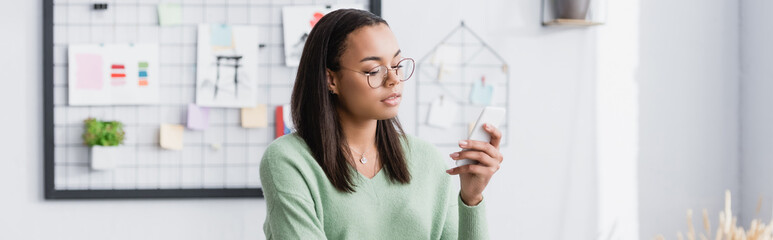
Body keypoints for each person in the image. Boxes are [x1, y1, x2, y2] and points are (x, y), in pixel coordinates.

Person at [259, 8, 504, 239]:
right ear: (330, 79)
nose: (394, 79)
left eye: (397, 65)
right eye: (374, 70)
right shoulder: (289, 160)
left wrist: (471, 198)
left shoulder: (427, 160)